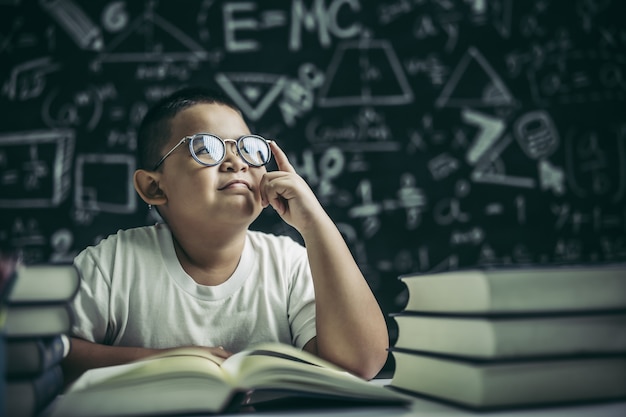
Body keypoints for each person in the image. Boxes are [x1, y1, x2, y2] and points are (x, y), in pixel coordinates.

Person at [62, 86, 388, 385]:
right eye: (206, 148)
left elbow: (361, 363)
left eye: (249, 149)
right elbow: (42, 354)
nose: (236, 162)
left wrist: (315, 223)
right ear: (154, 186)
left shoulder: (288, 263)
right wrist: (164, 363)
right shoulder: (115, 262)